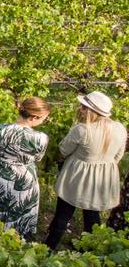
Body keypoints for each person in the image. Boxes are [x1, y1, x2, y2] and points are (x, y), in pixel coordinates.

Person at [45, 92, 126, 250]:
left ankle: (48, 248)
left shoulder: (82, 130)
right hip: (103, 179)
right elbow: (118, 156)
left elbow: (63, 151)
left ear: (92, 111)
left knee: (63, 213)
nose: (81, 110)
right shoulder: (119, 128)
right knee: (92, 214)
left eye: (84, 107)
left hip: (77, 176)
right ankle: (88, 251)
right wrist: (103, 166)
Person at [0, 97, 51, 240]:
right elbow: (37, 158)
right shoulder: (41, 138)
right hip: (24, 180)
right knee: (19, 215)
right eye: (44, 118)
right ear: (34, 117)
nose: (44, 121)